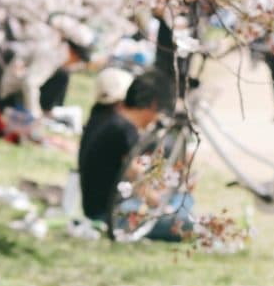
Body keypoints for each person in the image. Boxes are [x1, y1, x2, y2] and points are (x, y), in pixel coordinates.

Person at [78, 71, 193, 241]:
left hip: (99, 208)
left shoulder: (104, 118)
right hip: (111, 215)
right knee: (187, 223)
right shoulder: (122, 130)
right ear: (154, 105)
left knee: (182, 200)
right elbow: (138, 180)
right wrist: (163, 202)